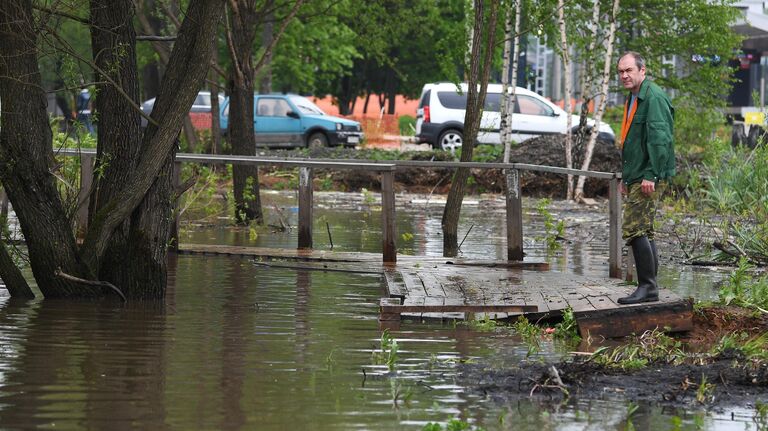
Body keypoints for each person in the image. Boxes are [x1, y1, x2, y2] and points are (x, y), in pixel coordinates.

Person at [616, 51, 675, 305]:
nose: (624, 75)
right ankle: (649, 287)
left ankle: (647, 287)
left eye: (629, 70)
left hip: (647, 176)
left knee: (634, 227)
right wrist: (625, 177)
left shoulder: (654, 98)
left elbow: (660, 140)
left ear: (642, 70)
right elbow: (632, 141)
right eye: (620, 72)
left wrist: (651, 174)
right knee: (645, 230)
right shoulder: (634, 98)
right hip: (636, 175)